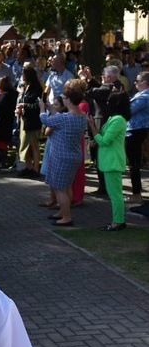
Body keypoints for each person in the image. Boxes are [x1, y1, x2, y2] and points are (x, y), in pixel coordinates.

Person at [39, 81, 88, 227]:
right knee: (67, 187)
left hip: (61, 156)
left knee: (60, 189)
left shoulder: (66, 118)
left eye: (65, 98)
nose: (64, 100)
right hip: (74, 155)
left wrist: (42, 108)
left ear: (70, 100)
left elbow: (45, 120)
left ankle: (66, 217)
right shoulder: (81, 116)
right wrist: (51, 109)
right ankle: (63, 212)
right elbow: (59, 119)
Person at [88, 92, 130, 231]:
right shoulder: (113, 118)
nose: (106, 105)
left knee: (115, 195)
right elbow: (104, 137)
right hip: (108, 161)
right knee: (114, 194)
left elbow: (105, 141)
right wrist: (96, 140)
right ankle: (118, 220)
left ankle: (118, 222)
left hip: (113, 162)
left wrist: (93, 127)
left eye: (109, 102)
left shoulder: (118, 120)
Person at [17, 66, 44, 178]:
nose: (22, 77)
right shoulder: (26, 87)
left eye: (23, 74)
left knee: (33, 145)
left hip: (33, 121)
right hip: (25, 119)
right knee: (25, 146)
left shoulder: (36, 88)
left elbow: (37, 105)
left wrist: (24, 105)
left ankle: (36, 169)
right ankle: (28, 167)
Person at [127, 72, 149, 204]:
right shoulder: (141, 94)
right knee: (133, 162)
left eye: (138, 81)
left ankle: (136, 193)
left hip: (135, 131)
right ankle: (136, 191)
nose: (135, 83)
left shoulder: (145, 96)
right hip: (135, 129)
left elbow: (128, 110)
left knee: (134, 162)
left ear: (145, 83)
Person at [0, 76, 17, 169]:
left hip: (2, 123)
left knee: (1, 142)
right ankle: (0, 162)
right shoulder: (12, 93)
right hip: (7, 121)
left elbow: (1, 109)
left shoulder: (4, 95)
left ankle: (1, 163)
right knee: (2, 142)